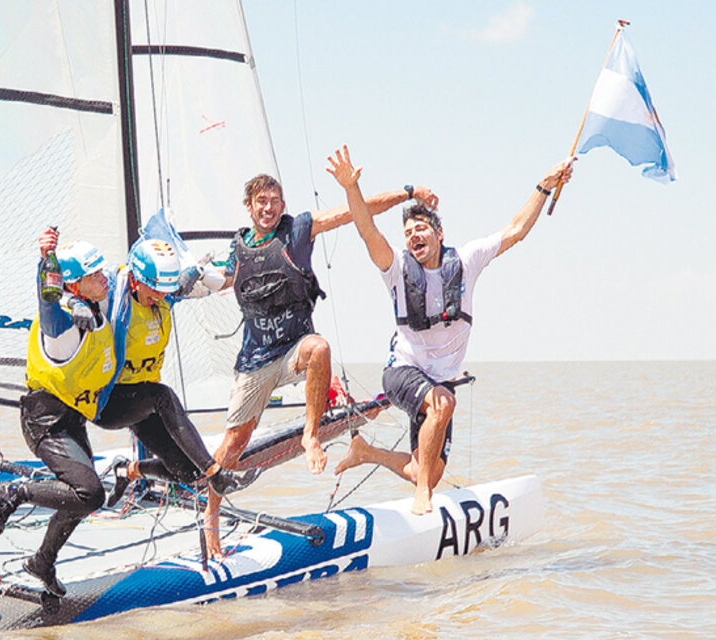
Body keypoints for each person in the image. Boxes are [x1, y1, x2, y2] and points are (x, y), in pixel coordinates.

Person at [203, 170, 440, 558]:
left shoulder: (297, 230)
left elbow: (355, 211)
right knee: (234, 444)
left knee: (319, 348)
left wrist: (409, 192)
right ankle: (210, 522)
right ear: (248, 207)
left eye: (274, 200)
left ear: (282, 205)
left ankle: (310, 435)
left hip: (294, 350)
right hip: (255, 360)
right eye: (260, 201)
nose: (268, 207)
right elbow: (214, 280)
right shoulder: (237, 249)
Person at [327, 145, 574, 515]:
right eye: (408, 232)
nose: (413, 236)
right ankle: (422, 498)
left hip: (441, 378)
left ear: (438, 233)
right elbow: (367, 231)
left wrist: (543, 185)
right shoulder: (395, 267)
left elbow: (516, 231)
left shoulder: (466, 261)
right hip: (402, 371)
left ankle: (367, 453)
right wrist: (351, 188)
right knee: (442, 403)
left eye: (421, 228)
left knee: (426, 468)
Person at [0, 229, 114, 597]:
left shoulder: (93, 306)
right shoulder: (59, 325)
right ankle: (16, 491)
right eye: (95, 275)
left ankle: (42, 562)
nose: (103, 278)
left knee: (80, 496)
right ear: (75, 285)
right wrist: (46, 259)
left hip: (70, 419)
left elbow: (125, 278)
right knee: (89, 493)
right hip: (44, 422)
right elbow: (47, 303)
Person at [93, 238, 260, 507]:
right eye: (155, 290)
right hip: (108, 402)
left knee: (187, 472)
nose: (160, 296)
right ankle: (216, 474)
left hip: (141, 400)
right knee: (163, 396)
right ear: (135, 279)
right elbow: (66, 295)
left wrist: (202, 271)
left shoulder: (165, 295)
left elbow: (220, 283)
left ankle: (127, 471)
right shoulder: (110, 297)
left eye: (165, 290)